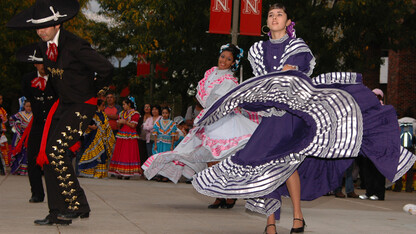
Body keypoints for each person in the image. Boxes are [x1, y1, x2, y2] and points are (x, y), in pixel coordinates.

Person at [191, 4, 416, 234]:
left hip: (292, 114)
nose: (275, 18)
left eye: (280, 15)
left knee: (285, 162)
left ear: (289, 22)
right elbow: (262, 81)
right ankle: (274, 222)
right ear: (266, 23)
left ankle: (296, 216)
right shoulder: (258, 50)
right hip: (270, 114)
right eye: (271, 15)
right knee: (268, 164)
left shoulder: (297, 46)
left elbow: (298, 69)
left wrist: (291, 70)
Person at [7, 0, 114, 225]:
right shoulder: (45, 47)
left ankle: (76, 205)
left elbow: (106, 68)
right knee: (47, 155)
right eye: (38, 27)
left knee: (56, 150)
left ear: (58, 24)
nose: (41, 31)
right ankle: (57, 211)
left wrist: (93, 93)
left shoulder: (76, 45)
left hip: (82, 105)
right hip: (64, 105)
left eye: (45, 26)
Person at [143, 44, 258, 189]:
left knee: (219, 157)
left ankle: (225, 194)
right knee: (209, 158)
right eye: (223, 56)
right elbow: (203, 98)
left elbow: (219, 103)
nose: (224, 60)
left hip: (223, 121)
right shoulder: (210, 73)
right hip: (208, 120)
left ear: (233, 63)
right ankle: (218, 193)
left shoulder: (229, 80)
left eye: (229, 59)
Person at [15, 43, 57, 203]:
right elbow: (27, 96)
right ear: (34, 63)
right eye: (40, 62)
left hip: (53, 125)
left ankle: (57, 193)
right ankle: (37, 193)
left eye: (45, 62)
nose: (43, 65)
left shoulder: (56, 78)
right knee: (32, 159)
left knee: (53, 160)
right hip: (37, 124)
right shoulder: (28, 79)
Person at [358, 89, 387, 201]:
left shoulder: (384, 110)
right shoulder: (367, 110)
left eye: (377, 96)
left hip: (379, 145)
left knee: (378, 170)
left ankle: (379, 193)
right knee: (367, 169)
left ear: (381, 97)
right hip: (367, 145)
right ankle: (369, 191)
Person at [78, 99, 115, 178]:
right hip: (94, 137)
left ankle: (100, 173)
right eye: (102, 105)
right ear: (98, 106)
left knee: (102, 155)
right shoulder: (92, 114)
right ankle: (90, 172)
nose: (104, 107)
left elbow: (106, 125)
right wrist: (91, 126)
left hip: (103, 137)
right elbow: (84, 122)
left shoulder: (103, 114)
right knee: (93, 154)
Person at [108, 97, 141, 179]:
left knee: (128, 153)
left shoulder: (135, 113)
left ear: (129, 104)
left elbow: (133, 125)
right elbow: (119, 125)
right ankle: (119, 171)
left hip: (130, 135)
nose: (123, 106)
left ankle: (127, 172)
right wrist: (119, 123)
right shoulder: (122, 113)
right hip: (122, 134)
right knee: (120, 152)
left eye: (124, 104)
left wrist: (125, 122)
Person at [9, 100, 33, 175]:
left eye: (30, 106)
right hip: (21, 136)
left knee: (28, 152)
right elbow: (11, 119)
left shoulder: (34, 114)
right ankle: (19, 169)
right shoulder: (20, 114)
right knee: (20, 152)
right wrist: (17, 126)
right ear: (24, 107)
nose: (29, 108)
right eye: (27, 106)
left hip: (30, 135)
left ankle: (26, 170)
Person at [394, 114, 416, 192]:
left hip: (400, 148)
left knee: (399, 166)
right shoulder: (414, 123)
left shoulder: (398, 122)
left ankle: (398, 186)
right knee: (410, 167)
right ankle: (408, 187)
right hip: (410, 148)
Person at [0, 94, 9, 175]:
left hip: (1, 133)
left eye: (1, 99)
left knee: (3, 150)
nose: (1, 101)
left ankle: (3, 168)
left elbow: (4, 121)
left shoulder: (2, 110)